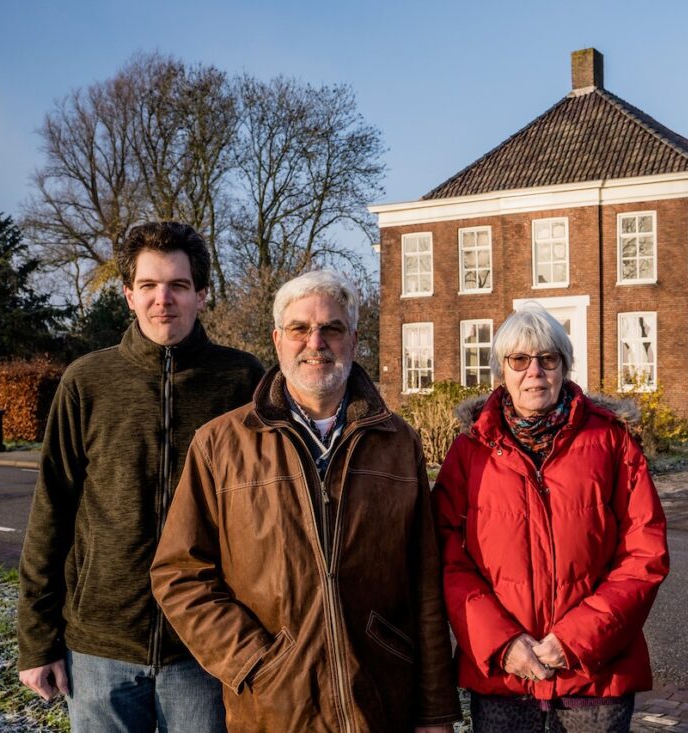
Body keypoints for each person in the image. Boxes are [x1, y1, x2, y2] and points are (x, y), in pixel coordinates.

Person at [150, 269, 461, 732]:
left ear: (353, 340)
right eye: (300, 328)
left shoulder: (397, 442)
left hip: (381, 702)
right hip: (273, 709)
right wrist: (255, 660)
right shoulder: (221, 444)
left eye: (331, 329)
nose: (315, 342)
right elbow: (178, 574)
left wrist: (435, 709)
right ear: (278, 340)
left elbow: (425, 583)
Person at [17, 222, 265, 732]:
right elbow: (51, 512)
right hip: (99, 647)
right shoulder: (86, 381)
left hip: (204, 646)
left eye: (177, 285)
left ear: (201, 293)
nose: (163, 300)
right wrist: (37, 639)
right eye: (149, 286)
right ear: (129, 295)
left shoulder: (242, 381)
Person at [433, 304, 670, 732]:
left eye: (548, 359)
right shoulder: (469, 452)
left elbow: (644, 554)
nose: (534, 371)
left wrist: (577, 640)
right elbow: (448, 556)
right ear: (501, 370)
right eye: (519, 360)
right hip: (505, 673)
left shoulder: (611, 442)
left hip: (594, 673)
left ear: (564, 366)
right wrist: (501, 644)